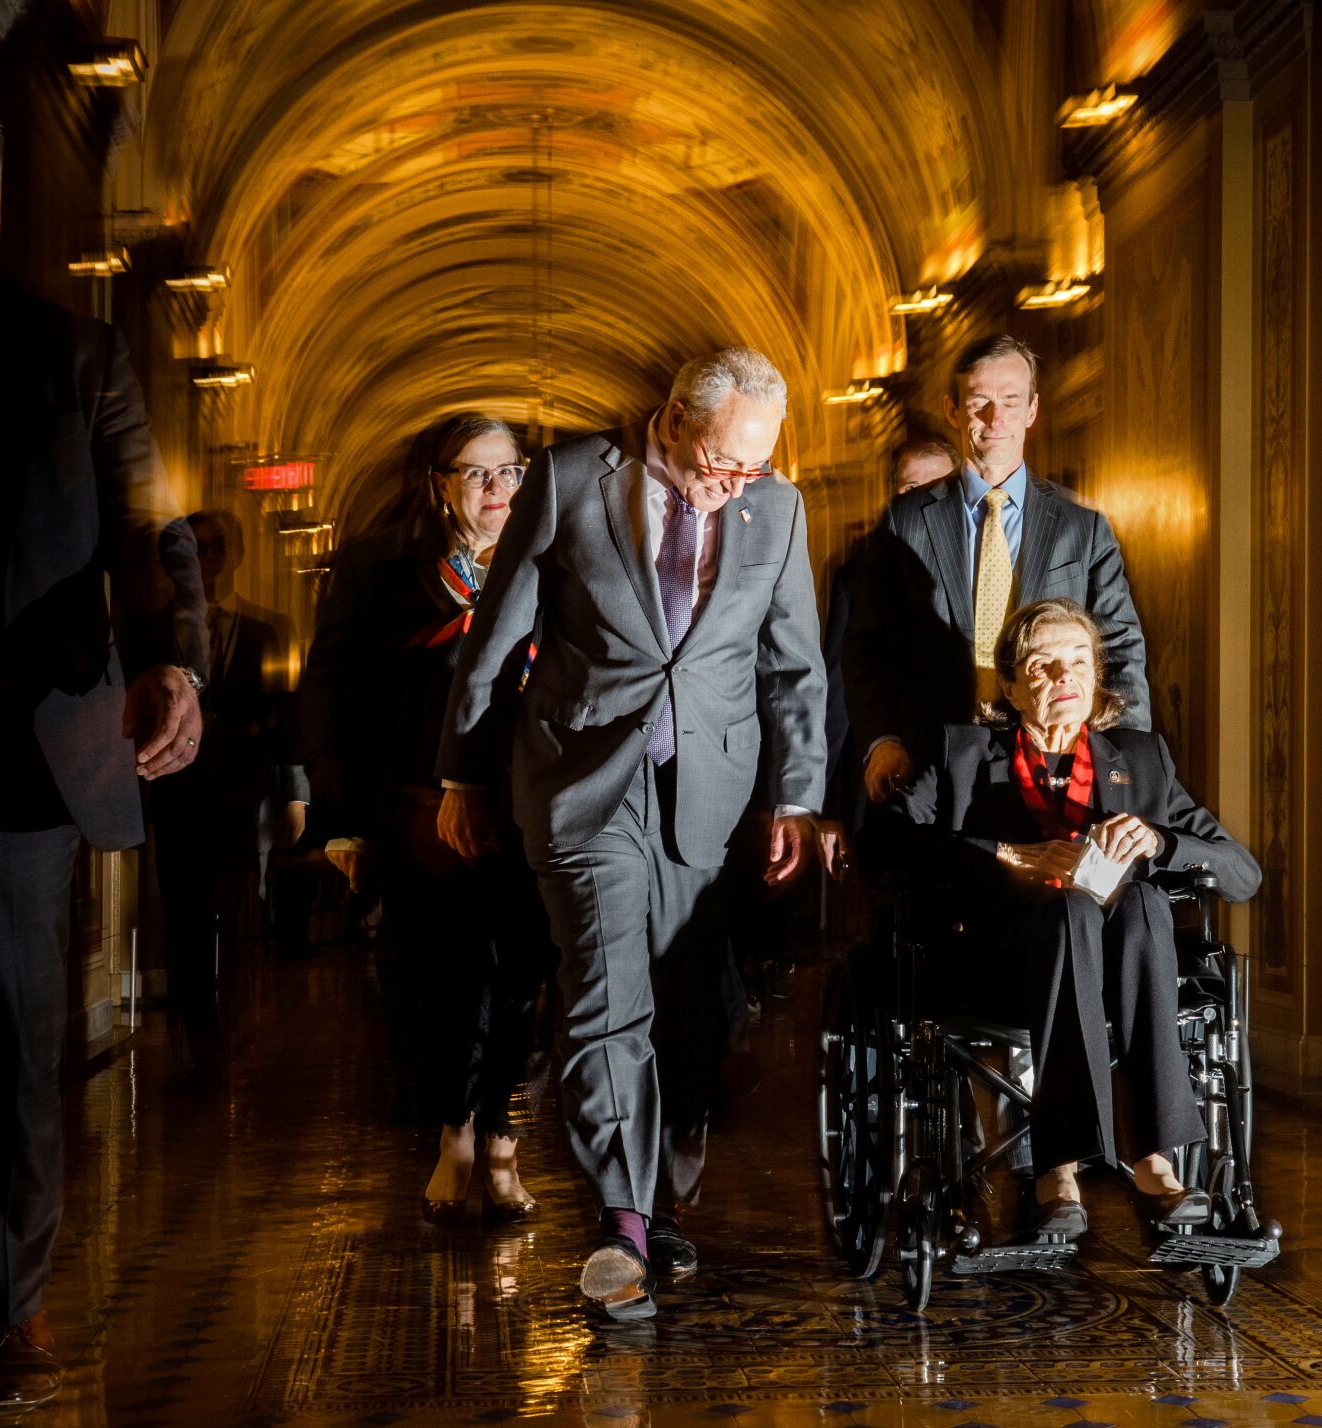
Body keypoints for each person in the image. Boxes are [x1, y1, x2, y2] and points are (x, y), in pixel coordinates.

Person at [0, 73, 206, 1413]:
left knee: (13, 1044)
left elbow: (151, 525)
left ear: (5, 199)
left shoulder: (76, 356)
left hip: (14, 754)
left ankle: (11, 1306)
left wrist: (177, 655)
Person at [437, 347, 826, 1320]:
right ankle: (620, 1222)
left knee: (691, 1008)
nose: (738, 481)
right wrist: (462, 772)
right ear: (676, 418)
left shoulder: (773, 509)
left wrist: (794, 796)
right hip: (580, 782)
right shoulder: (574, 480)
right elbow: (498, 630)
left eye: (756, 465)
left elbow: (793, 668)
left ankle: (661, 1198)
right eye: (725, 460)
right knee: (606, 994)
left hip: (711, 789)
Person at [866, 598, 1259, 1237]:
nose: (1064, 677)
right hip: (1001, 968)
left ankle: (1156, 1158)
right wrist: (1003, 854)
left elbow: (1243, 872)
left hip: (1128, 972)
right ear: (1012, 686)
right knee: (1072, 907)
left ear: (1098, 679)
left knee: (1138, 900)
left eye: (1079, 662)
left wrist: (1161, 842)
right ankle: (1059, 1167)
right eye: (1044, 665)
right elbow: (883, 838)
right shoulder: (964, 754)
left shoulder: (1142, 761)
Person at [301, 413, 552, 1224]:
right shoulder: (383, 567)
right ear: (438, 482)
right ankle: (454, 1135)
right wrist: (340, 819)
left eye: (510, 472)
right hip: (415, 813)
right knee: (436, 982)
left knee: (523, 977)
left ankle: (503, 1137)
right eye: (476, 474)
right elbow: (330, 690)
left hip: (524, 808)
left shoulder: (550, 562)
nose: (495, 490)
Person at [844, 334, 1150, 808]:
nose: (995, 419)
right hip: (932, 770)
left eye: (1010, 401)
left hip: (1058, 769)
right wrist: (883, 742)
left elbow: (1119, 647)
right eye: (979, 402)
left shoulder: (1082, 529)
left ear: (1031, 411)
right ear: (952, 409)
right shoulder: (904, 523)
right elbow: (869, 650)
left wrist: (1127, 762)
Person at [147, 508, 307, 1073]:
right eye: (195, 549)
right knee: (186, 919)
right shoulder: (150, 632)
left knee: (236, 916)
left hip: (241, 797)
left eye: (216, 547)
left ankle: (236, 1026)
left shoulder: (267, 631)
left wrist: (295, 794)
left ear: (234, 555)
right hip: (174, 798)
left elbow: (289, 717)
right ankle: (202, 1041)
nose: (207, 559)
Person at [818, 436, 954, 877]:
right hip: (888, 776)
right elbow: (838, 693)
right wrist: (825, 806)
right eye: (908, 488)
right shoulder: (857, 578)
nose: (919, 501)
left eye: (933, 488)